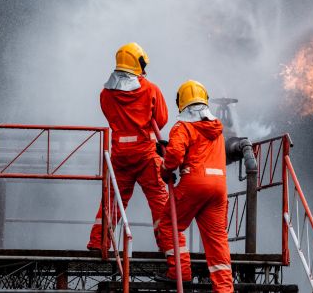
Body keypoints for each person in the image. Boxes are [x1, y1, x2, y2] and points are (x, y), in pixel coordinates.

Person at [87, 42, 171, 251]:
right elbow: (161, 118)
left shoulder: (106, 93)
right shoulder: (150, 89)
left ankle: (99, 242)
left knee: (114, 198)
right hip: (145, 153)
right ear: (137, 64)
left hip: (120, 155)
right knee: (159, 199)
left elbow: (109, 116)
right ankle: (168, 244)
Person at [156, 80, 233, 292]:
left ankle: (180, 273)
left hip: (195, 184)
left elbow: (174, 157)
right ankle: (224, 289)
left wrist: (165, 171)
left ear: (181, 103)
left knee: (169, 225)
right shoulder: (216, 128)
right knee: (217, 242)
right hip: (218, 188)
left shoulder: (183, 127)